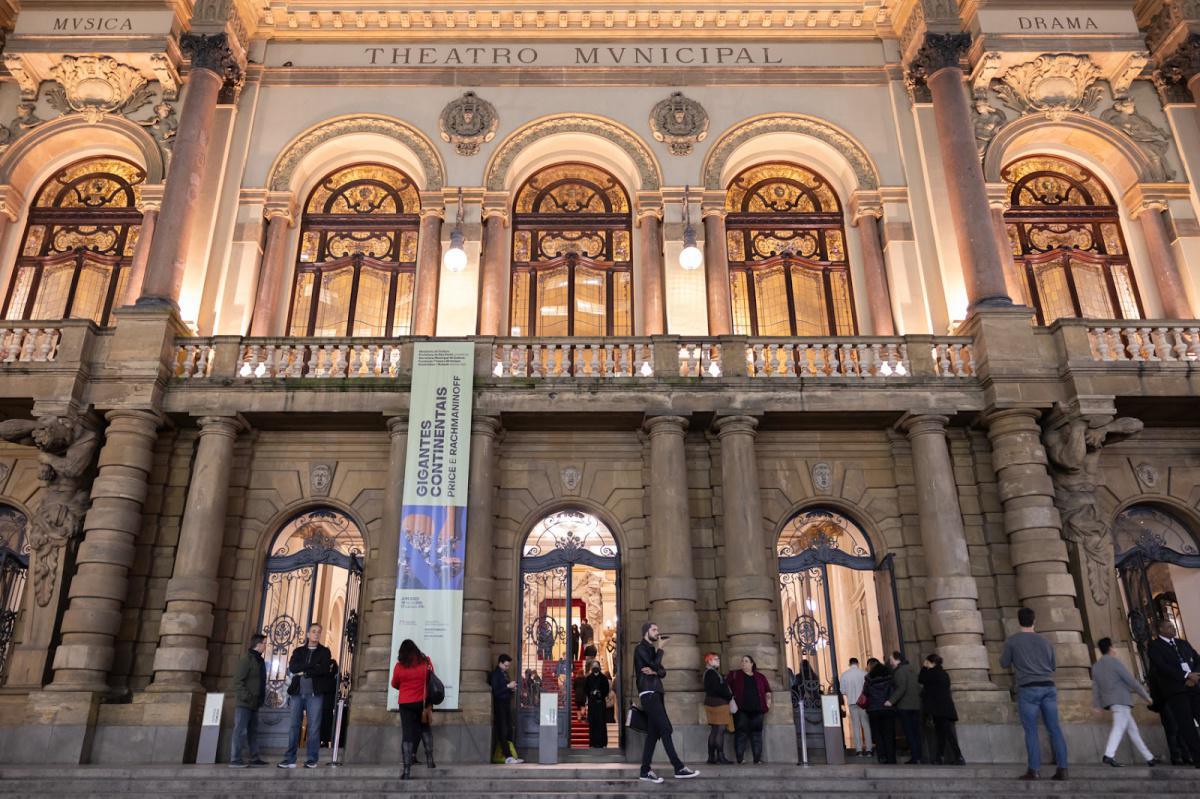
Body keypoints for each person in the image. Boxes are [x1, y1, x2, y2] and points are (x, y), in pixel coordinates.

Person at [1000, 607, 1068, 781]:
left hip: (1028, 688)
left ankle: (1034, 770)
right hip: (1048, 687)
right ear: (1034, 621)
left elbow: (1004, 663)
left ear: (1019, 621)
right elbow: (1053, 666)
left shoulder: (1012, 641)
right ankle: (1063, 769)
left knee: (1031, 730)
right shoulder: (1046, 642)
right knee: (1055, 729)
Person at [634, 622, 699, 783]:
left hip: (656, 693)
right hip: (649, 693)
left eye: (658, 629)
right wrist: (660, 650)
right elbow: (655, 664)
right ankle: (679, 767)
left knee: (653, 734)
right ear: (646, 632)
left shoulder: (651, 651)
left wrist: (655, 670)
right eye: (654, 630)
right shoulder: (640, 649)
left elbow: (662, 672)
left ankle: (645, 770)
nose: (658, 632)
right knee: (666, 729)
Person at [1092, 637, 1157, 767]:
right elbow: (1131, 681)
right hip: (1121, 700)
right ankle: (1109, 755)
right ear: (1110, 648)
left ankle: (1149, 757)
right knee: (1119, 727)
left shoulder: (1096, 666)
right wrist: (1146, 696)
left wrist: (1097, 705)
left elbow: (1096, 687)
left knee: (1133, 730)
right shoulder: (1114, 662)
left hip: (1112, 702)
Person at [278, 623, 335, 769]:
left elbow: (323, 670)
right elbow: (293, 667)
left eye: (319, 632)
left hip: (315, 695)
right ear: (308, 634)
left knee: (314, 727)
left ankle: (312, 759)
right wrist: (312, 667)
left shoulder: (324, 652)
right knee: (293, 726)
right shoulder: (298, 651)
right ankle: (290, 759)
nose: (316, 634)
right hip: (297, 693)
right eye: (314, 631)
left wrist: (305, 671)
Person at [1146, 620, 1200, 768]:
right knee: (1187, 726)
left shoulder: (1183, 643)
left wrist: (1194, 675)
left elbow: (1197, 659)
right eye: (1169, 626)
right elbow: (1163, 667)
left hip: (1194, 687)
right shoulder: (1154, 646)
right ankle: (1197, 757)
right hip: (1176, 691)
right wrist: (1185, 676)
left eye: (1173, 626)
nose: (1173, 628)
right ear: (1161, 629)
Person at [391, 639, 435, 780]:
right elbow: (431, 678)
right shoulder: (426, 662)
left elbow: (394, 683)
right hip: (422, 702)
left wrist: (405, 687)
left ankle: (407, 770)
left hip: (405, 703)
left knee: (408, 735)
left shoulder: (399, 666)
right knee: (425, 728)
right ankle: (430, 761)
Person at [230, 633, 268, 768]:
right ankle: (235, 759)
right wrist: (248, 697)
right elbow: (238, 682)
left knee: (253, 731)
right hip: (245, 703)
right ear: (258, 645)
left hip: (255, 703)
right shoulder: (246, 659)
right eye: (264, 643)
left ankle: (254, 757)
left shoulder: (260, 660)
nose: (266, 646)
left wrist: (258, 699)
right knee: (240, 731)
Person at [726, 655, 772, 764]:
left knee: (757, 734)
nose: (743, 663)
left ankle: (757, 759)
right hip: (741, 710)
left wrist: (767, 704)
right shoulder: (735, 675)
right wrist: (731, 699)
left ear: (752, 664)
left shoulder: (760, 677)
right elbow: (726, 686)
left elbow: (767, 691)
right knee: (741, 734)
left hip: (757, 710)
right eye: (742, 661)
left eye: (746, 661)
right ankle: (740, 758)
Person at [918, 653, 963, 765]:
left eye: (927, 662)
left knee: (947, 733)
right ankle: (940, 757)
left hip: (939, 708)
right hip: (945, 708)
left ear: (931, 662)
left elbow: (921, 679)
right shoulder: (943, 673)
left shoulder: (932, 673)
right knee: (942, 733)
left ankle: (958, 756)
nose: (926, 664)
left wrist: (924, 667)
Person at [884, 651, 923, 764]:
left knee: (909, 732)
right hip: (915, 705)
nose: (890, 662)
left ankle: (915, 757)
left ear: (897, 660)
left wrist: (890, 701)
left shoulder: (900, 671)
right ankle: (919, 755)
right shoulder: (911, 669)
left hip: (905, 706)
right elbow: (919, 687)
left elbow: (901, 688)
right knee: (916, 732)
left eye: (891, 659)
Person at [490, 653, 524, 764]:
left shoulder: (504, 674)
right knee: (503, 731)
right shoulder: (495, 675)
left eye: (508, 666)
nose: (507, 668)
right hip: (499, 705)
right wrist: (507, 687)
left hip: (506, 704)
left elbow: (503, 689)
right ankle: (507, 756)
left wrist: (511, 689)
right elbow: (495, 691)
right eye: (505, 665)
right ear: (500, 663)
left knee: (509, 729)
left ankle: (511, 755)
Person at [702, 653, 734, 764]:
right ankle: (720, 756)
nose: (718, 660)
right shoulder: (712, 673)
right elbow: (718, 689)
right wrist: (729, 695)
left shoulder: (708, 673)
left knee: (714, 730)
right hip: (719, 704)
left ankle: (711, 756)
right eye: (715, 659)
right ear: (709, 661)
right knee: (720, 730)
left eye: (718, 658)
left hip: (710, 703)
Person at [863, 657, 896, 764]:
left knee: (878, 735)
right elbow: (893, 691)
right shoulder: (889, 677)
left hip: (874, 710)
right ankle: (891, 758)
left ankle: (882, 757)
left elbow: (865, 693)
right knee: (889, 734)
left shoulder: (868, 679)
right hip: (887, 709)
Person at [840, 657, 872, 757]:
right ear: (857, 663)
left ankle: (858, 750)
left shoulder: (845, 675)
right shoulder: (864, 673)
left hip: (852, 702)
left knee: (856, 726)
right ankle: (869, 749)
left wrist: (850, 693)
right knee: (866, 725)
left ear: (849, 664)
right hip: (863, 703)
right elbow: (869, 688)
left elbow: (842, 691)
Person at [585, 661, 611, 747]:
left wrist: (600, 693)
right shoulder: (588, 678)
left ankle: (602, 743)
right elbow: (586, 690)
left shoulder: (604, 678)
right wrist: (591, 693)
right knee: (593, 723)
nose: (595, 667)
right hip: (592, 704)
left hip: (600, 704)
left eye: (597, 666)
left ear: (599, 667)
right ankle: (593, 743)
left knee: (601, 723)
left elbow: (606, 690)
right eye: (594, 666)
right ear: (592, 668)